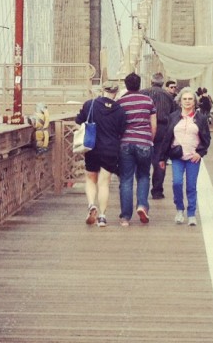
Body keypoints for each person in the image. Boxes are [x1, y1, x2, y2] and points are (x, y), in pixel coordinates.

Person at [74, 84, 125, 227]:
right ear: (116, 93)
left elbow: (78, 123)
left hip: (92, 147)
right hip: (110, 149)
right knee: (104, 183)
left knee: (90, 179)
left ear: (103, 91)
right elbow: (121, 131)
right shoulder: (120, 110)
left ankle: (91, 205)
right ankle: (102, 216)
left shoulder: (90, 104)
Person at [160, 87, 211, 226]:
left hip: (193, 157)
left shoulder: (201, 118)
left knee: (191, 186)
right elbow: (166, 138)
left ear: (195, 102)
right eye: (185, 99)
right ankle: (179, 209)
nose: (187, 101)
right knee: (177, 183)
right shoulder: (173, 117)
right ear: (180, 101)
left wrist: (200, 153)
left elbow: (206, 138)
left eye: (190, 99)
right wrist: (162, 158)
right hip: (177, 156)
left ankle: (191, 214)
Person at [116, 72, 157, 226]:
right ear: (139, 84)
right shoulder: (148, 100)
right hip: (144, 142)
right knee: (144, 176)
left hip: (125, 143)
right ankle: (142, 205)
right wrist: (149, 140)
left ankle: (125, 218)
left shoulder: (120, 102)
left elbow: (118, 125)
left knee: (126, 179)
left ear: (126, 85)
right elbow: (153, 125)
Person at [146, 73, 178, 200]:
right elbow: (174, 115)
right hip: (163, 129)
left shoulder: (144, 93)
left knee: (142, 160)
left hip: (145, 129)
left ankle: (141, 189)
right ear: (163, 83)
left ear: (151, 81)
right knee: (160, 160)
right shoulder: (169, 96)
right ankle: (157, 191)